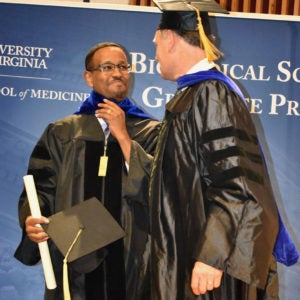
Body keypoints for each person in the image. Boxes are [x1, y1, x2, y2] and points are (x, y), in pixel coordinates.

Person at [120, 1, 297, 299]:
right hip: (190, 251)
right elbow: (175, 182)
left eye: (156, 44)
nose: (155, 55)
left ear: (171, 39)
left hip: (208, 266)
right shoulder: (193, 95)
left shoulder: (213, 94)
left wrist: (212, 255)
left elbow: (236, 183)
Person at [14, 41, 160, 300]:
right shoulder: (62, 132)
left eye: (123, 66)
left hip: (131, 262)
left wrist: (124, 137)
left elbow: (161, 191)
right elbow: (40, 190)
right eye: (107, 67)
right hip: (75, 262)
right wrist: (32, 220)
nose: (118, 73)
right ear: (88, 77)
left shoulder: (151, 132)